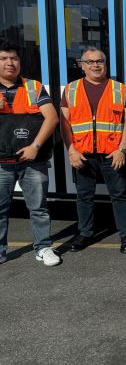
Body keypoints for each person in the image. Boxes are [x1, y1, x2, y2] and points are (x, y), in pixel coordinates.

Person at [60, 47, 126, 253]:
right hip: (83, 153)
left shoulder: (119, 89)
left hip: (112, 153)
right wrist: (71, 151)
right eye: (90, 62)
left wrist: (122, 150)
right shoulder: (71, 89)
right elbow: (64, 123)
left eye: (99, 61)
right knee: (84, 196)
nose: (95, 65)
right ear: (82, 66)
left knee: (119, 195)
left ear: (105, 64)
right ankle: (84, 234)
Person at [0, 40, 60, 266]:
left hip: (32, 160)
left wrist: (35, 146)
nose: (10, 63)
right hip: (1, 162)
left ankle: (43, 248)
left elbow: (52, 118)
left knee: (39, 208)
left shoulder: (34, 87)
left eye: (14, 58)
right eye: (4, 58)